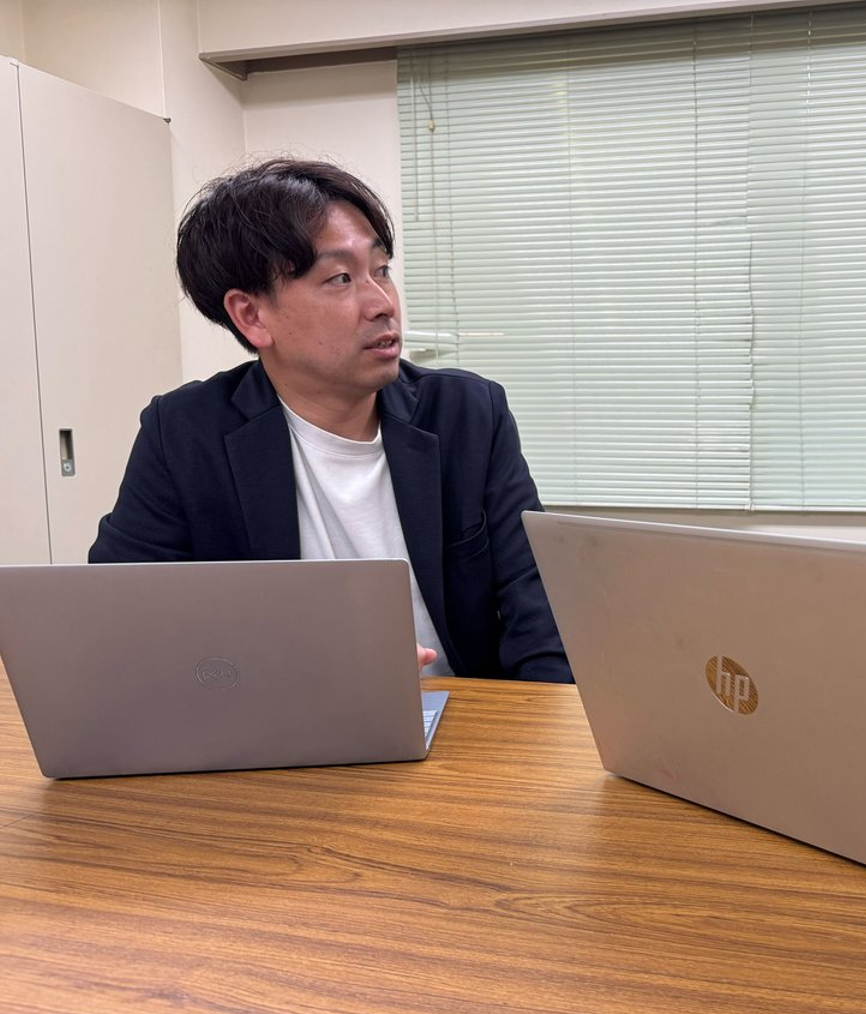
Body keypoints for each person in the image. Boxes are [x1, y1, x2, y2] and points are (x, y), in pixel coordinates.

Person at [90, 158, 571, 683]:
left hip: (468, 715)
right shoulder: (185, 435)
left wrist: (541, 724)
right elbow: (122, 625)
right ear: (252, 315)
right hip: (282, 718)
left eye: (381, 270)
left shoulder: (468, 414)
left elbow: (543, 614)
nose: (383, 303)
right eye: (341, 278)